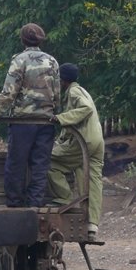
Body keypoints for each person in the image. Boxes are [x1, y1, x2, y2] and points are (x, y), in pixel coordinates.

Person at [0, 23, 60, 208]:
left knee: (16, 164)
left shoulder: (19, 60)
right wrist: (54, 114)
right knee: (40, 166)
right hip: (46, 122)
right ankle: (35, 205)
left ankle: (15, 205)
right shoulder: (52, 61)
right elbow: (57, 94)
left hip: (22, 122)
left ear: (23, 40)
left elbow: (9, 91)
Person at [47, 63, 104, 242]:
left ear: (62, 80)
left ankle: (64, 198)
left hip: (83, 142)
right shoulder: (82, 90)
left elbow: (85, 109)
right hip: (96, 141)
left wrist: (60, 118)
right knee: (91, 181)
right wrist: (62, 137)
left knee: (47, 161)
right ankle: (91, 226)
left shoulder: (73, 92)